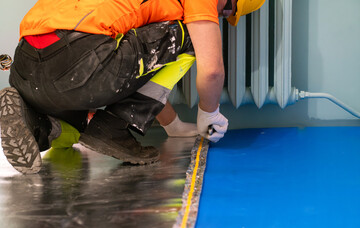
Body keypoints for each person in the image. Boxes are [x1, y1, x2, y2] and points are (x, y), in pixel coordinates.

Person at [0, 0, 265, 174]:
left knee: (75, 123)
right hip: (80, 60)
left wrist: (172, 125)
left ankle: (41, 127)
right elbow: (213, 69)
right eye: (228, 9)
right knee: (189, 38)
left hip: (27, 64)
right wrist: (209, 112)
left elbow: (148, 63)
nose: (221, 14)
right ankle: (113, 127)